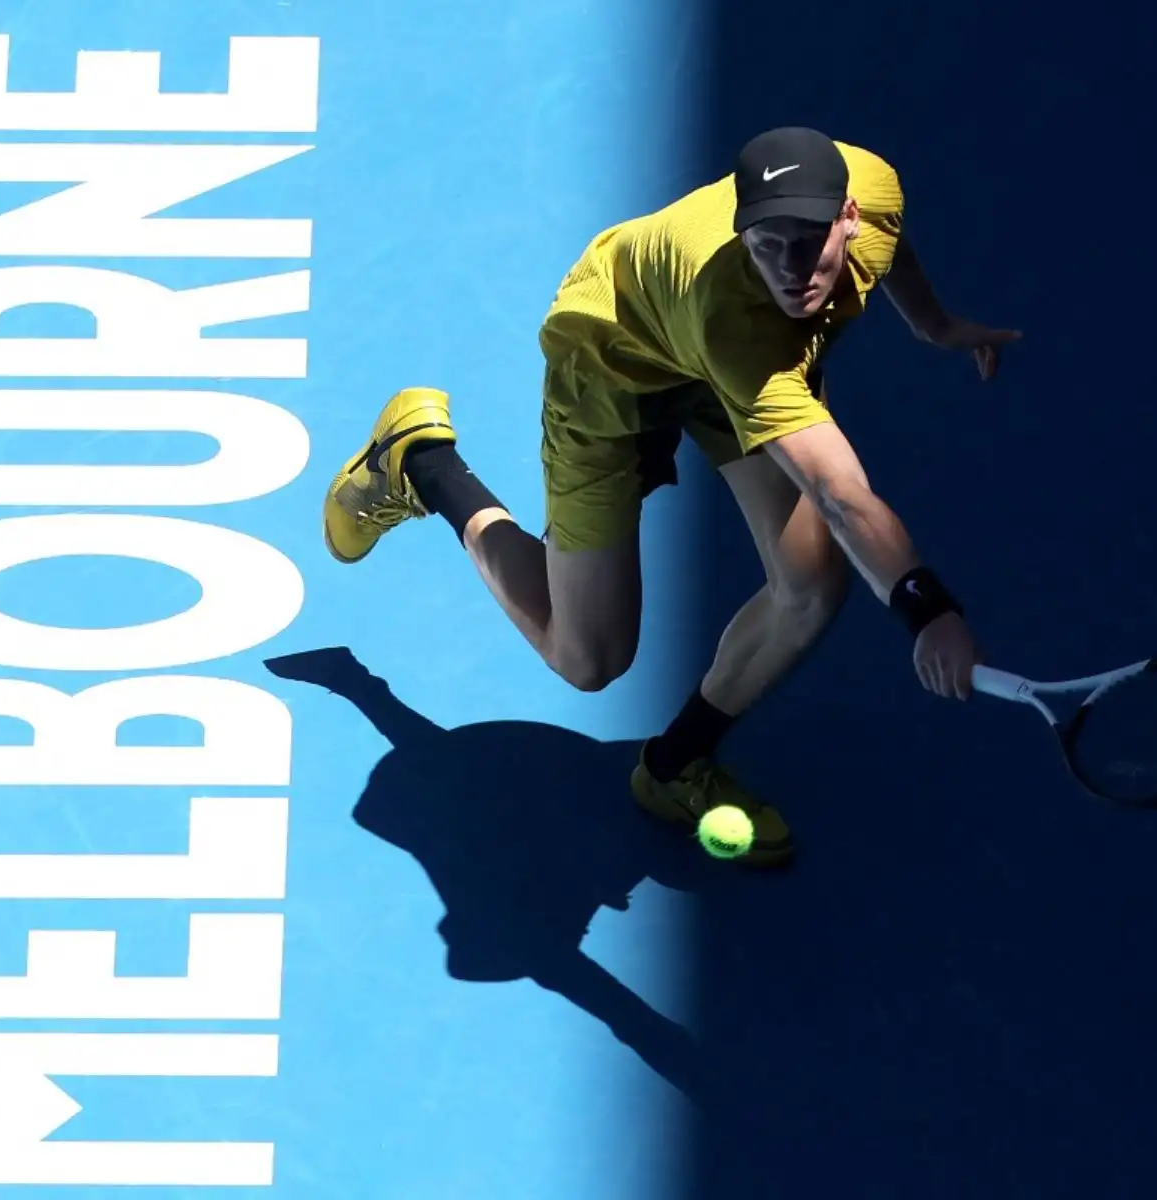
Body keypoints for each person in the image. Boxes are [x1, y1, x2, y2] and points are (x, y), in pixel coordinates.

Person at [321, 127, 1019, 867]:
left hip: (726, 357)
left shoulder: (875, 189)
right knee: (587, 657)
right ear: (742, 230)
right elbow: (839, 493)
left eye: (809, 240)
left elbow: (889, 247)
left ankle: (673, 766)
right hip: (614, 357)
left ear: (849, 213)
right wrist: (928, 609)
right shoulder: (733, 320)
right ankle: (422, 463)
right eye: (766, 243)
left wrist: (935, 325)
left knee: (811, 587)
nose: (791, 269)